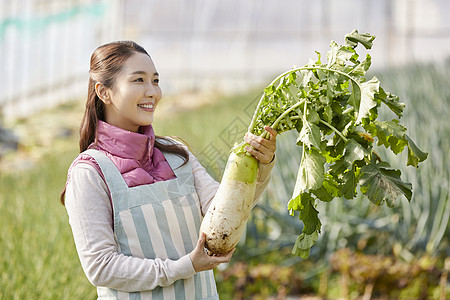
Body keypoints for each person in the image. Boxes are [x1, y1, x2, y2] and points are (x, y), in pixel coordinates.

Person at [61, 40, 277, 299]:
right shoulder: (90, 173)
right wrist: (185, 267)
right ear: (104, 92)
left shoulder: (176, 154)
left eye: (156, 80)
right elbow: (101, 266)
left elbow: (226, 212)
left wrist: (261, 163)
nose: (152, 91)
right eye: (138, 80)